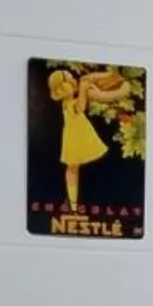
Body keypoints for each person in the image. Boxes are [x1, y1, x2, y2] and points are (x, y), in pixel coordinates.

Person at [49, 67, 107, 212]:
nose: (74, 81)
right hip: (76, 139)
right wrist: (83, 89)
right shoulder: (70, 104)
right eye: (69, 81)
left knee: (73, 169)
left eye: (72, 79)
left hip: (75, 137)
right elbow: (81, 106)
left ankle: (74, 203)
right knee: (73, 169)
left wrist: (87, 88)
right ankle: (73, 204)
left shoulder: (67, 103)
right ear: (60, 89)